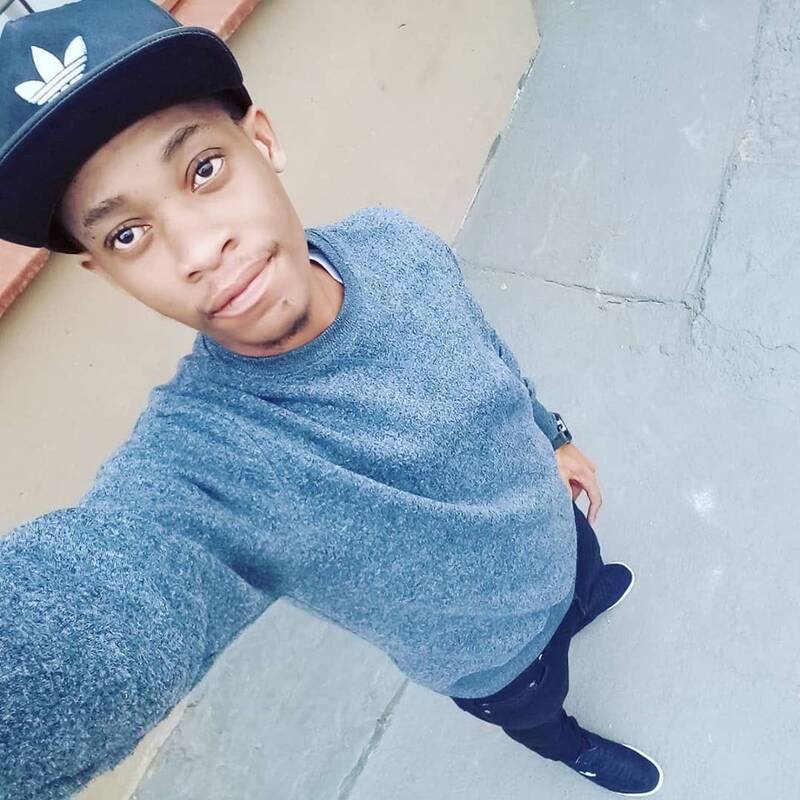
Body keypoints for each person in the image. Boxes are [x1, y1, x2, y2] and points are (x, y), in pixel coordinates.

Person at [0, 1, 663, 797]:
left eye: (203, 169)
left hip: (559, 526)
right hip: (496, 661)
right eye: (127, 235)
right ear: (108, 274)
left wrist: (551, 434)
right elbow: (107, 596)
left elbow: (486, 347)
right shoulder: (210, 464)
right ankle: (567, 745)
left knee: (586, 577)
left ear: (263, 141)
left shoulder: (393, 243)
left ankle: (583, 596)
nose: (199, 248)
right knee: (540, 708)